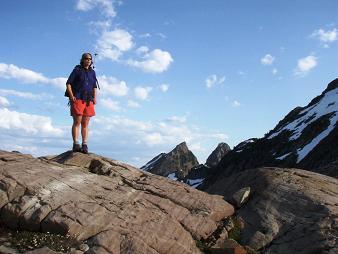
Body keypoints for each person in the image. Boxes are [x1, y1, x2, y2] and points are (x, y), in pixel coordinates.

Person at [66, 53, 98, 154]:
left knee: (85, 124)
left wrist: (95, 98)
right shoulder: (77, 70)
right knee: (77, 122)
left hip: (89, 100)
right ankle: (76, 144)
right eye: (86, 59)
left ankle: (84, 144)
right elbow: (68, 83)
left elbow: (94, 86)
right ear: (82, 60)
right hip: (78, 98)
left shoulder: (92, 72)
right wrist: (71, 96)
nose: (88, 60)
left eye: (89, 59)